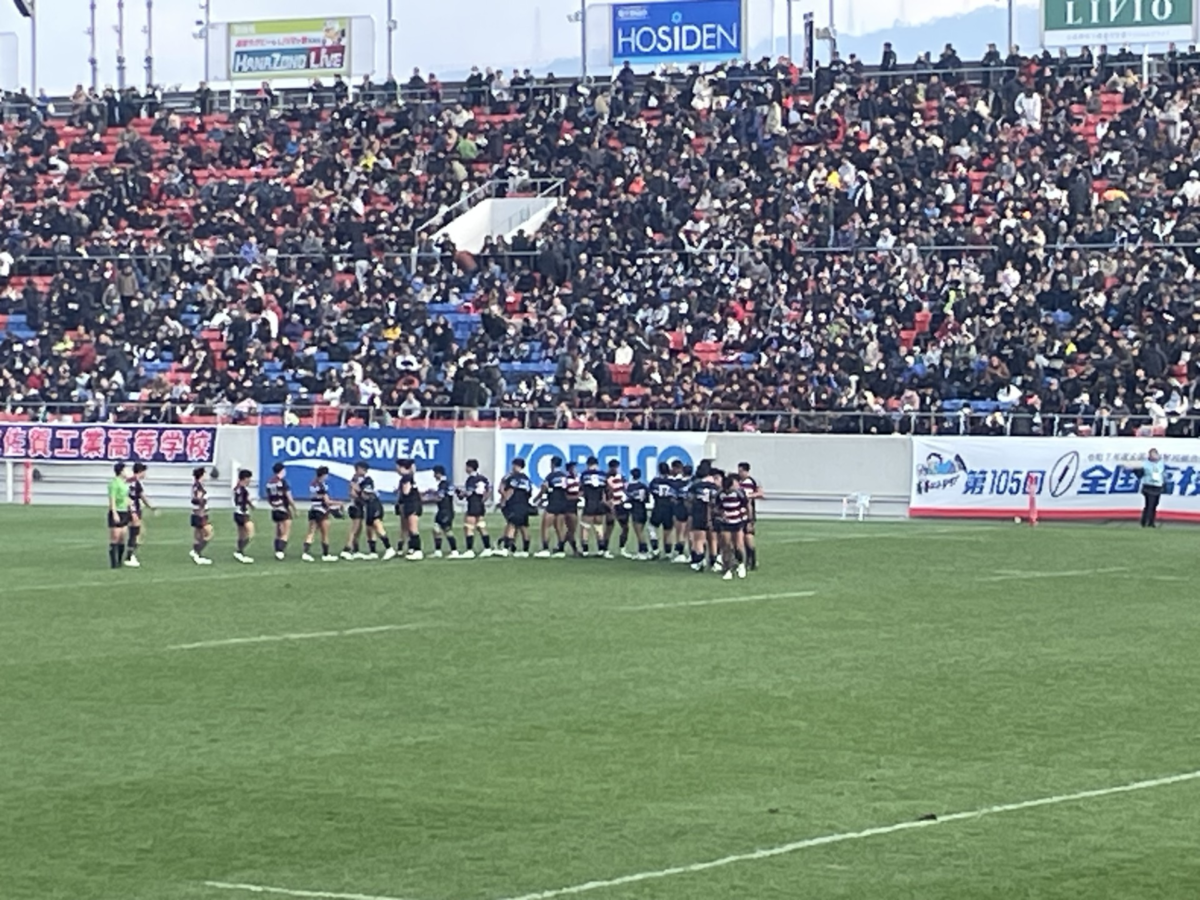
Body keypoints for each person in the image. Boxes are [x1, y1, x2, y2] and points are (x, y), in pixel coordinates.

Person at [302, 465, 341, 562]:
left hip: (313, 509)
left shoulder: (312, 484)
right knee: (325, 534)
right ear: (323, 475)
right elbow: (327, 501)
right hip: (321, 511)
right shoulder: (322, 485)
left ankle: (305, 553)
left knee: (311, 532)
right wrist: (339, 503)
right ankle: (326, 554)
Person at [356, 463, 395, 560]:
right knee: (369, 528)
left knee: (377, 524)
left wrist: (357, 489)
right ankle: (373, 552)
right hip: (368, 506)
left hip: (374, 505)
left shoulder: (368, 480)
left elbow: (367, 494)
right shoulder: (357, 480)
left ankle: (389, 548)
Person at [534, 455, 570, 558]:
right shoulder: (564, 476)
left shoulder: (550, 476)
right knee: (559, 527)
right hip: (563, 503)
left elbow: (544, 488)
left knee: (545, 526)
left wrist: (537, 499)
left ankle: (545, 549)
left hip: (553, 503)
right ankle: (561, 550)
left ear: (552, 464)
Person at [716, 472, 750, 580]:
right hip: (726, 522)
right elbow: (716, 507)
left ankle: (741, 565)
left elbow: (747, 505)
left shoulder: (739, 493)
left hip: (738, 521)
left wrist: (749, 520)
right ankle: (728, 569)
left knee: (738, 545)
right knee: (726, 545)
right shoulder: (720, 494)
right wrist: (721, 514)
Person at [499, 457, 534, 557]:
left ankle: (506, 548)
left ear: (515, 465)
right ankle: (525, 550)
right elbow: (529, 493)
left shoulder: (512, 477)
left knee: (511, 524)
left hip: (514, 504)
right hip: (524, 504)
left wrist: (504, 501)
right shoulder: (526, 479)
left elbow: (509, 491)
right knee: (524, 527)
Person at [688, 462, 719, 572]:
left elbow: (690, 500)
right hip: (713, 514)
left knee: (699, 539)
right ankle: (714, 562)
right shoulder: (715, 487)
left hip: (699, 512)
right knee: (713, 539)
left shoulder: (695, 486)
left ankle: (699, 561)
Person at [458, 458, 493, 558]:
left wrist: (461, 494)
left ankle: (469, 550)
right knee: (481, 526)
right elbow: (488, 490)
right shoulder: (483, 478)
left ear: (470, 467)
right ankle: (487, 548)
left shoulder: (471, 479)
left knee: (468, 526)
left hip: (473, 503)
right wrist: (483, 500)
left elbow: (469, 493)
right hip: (480, 504)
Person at [1124, 449, 1167, 528]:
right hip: (1148, 485)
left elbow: (1162, 473)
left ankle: (1151, 521)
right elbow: (1138, 472)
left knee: (1155, 505)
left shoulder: (1160, 463)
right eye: (1152, 455)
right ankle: (1145, 521)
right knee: (1149, 505)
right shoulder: (1145, 464)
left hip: (1158, 485)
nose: (1154, 456)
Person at [265, 462, 297, 560]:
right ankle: (280, 551)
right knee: (285, 532)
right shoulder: (282, 482)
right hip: (283, 509)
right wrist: (294, 508)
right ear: (282, 470)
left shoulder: (269, 482)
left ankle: (277, 550)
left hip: (275, 509)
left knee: (278, 531)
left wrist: (273, 505)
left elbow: (268, 497)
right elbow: (288, 496)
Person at [395, 458, 424, 559]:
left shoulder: (406, 477)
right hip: (411, 504)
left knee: (413, 528)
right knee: (409, 528)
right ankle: (412, 548)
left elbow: (406, 491)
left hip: (412, 504)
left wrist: (401, 490)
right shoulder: (410, 476)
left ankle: (418, 551)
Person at [125, 462, 153, 567]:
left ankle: (130, 554)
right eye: (144, 472)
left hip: (129, 509)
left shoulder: (128, 481)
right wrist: (150, 507)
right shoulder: (135, 483)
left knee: (136, 532)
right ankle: (130, 555)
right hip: (133, 510)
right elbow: (140, 496)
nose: (145, 474)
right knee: (136, 532)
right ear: (141, 471)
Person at [579, 456, 608, 557]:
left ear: (588, 464)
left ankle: (585, 550)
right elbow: (606, 490)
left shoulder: (584, 474)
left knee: (585, 526)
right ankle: (601, 549)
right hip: (599, 502)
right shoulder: (603, 475)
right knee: (599, 526)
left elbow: (581, 489)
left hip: (589, 502)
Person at [737, 461, 764, 570]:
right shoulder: (737, 482)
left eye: (741, 471)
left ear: (746, 471)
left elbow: (760, 493)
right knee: (740, 537)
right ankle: (742, 559)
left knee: (748, 535)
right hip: (738, 512)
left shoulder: (753, 481)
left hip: (749, 512)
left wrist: (749, 495)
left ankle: (751, 559)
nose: (739, 473)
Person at [429, 464, 460, 559]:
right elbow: (457, 492)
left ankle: (454, 551)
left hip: (445, 511)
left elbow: (440, 497)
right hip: (446, 510)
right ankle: (438, 551)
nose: (434, 476)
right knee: (436, 529)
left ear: (438, 474)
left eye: (434, 474)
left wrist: (425, 500)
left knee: (447, 530)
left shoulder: (443, 484)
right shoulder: (449, 483)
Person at [648, 461, 676, 560]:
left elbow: (651, 492)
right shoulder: (672, 482)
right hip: (669, 508)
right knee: (668, 531)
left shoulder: (655, 481)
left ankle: (655, 549)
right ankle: (668, 553)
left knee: (652, 527)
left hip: (658, 506)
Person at [107, 461, 132, 569]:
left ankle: (120, 560)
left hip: (124, 511)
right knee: (115, 537)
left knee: (122, 537)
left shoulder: (124, 483)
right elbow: (112, 499)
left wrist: (130, 506)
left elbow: (126, 496)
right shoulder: (114, 483)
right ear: (121, 471)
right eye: (125, 470)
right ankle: (113, 563)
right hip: (117, 511)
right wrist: (114, 513)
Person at [605, 458, 631, 558]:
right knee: (609, 527)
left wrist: (625, 499)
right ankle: (606, 550)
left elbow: (625, 489)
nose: (615, 469)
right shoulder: (607, 478)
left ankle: (622, 548)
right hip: (611, 505)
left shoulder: (621, 477)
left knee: (625, 527)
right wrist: (609, 503)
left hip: (621, 504)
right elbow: (606, 492)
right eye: (614, 467)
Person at [342, 463, 369, 559]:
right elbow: (352, 493)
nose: (365, 471)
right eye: (363, 469)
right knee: (354, 529)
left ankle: (356, 549)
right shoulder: (355, 479)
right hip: (355, 506)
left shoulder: (361, 479)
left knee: (359, 529)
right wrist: (360, 494)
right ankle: (346, 549)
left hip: (359, 506)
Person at [625, 467, 651, 560]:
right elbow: (647, 498)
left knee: (638, 532)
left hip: (636, 510)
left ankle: (643, 551)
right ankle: (643, 550)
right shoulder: (643, 486)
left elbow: (628, 498)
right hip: (643, 509)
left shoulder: (630, 487)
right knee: (641, 531)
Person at [190, 466, 213, 565]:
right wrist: (202, 509)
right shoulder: (199, 487)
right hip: (200, 514)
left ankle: (196, 553)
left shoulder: (195, 485)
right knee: (208, 534)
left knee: (198, 535)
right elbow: (198, 499)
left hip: (195, 513)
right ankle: (197, 553)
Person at [671, 461, 693, 563]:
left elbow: (673, 497)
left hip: (680, 507)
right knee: (690, 532)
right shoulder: (693, 483)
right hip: (691, 509)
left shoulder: (677, 483)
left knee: (679, 532)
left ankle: (681, 554)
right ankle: (692, 555)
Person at [232, 468, 255, 564]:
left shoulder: (237, 488)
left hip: (237, 513)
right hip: (242, 514)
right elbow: (241, 501)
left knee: (241, 534)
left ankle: (240, 552)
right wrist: (245, 508)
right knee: (250, 533)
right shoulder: (242, 490)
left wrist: (251, 505)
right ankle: (239, 551)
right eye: (249, 478)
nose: (250, 480)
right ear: (245, 478)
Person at [563, 461, 582, 556]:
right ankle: (574, 549)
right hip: (568, 505)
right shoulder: (566, 480)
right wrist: (576, 497)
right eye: (573, 468)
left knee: (572, 529)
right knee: (572, 528)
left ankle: (561, 545)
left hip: (574, 505)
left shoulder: (578, 479)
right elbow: (564, 495)